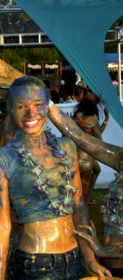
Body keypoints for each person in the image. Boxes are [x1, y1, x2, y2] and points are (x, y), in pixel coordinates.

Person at [0, 75, 111, 279]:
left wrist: (90, 258)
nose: (31, 113)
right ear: (11, 109)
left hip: (75, 259)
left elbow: (79, 206)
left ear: (48, 107)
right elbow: (1, 224)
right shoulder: (2, 159)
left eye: (38, 104)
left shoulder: (66, 147)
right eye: (21, 106)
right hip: (36, 265)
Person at [49, 103, 123, 277]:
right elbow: (79, 136)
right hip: (108, 262)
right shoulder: (120, 158)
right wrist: (46, 102)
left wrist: (103, 250)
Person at [72, 98, 103, 204]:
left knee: (74, 188)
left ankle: (82, 203)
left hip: (73, 158)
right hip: (86, 159)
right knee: (82, 194)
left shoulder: (75, 119)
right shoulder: (93, 120)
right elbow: (99, 140)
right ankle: (86, 200)